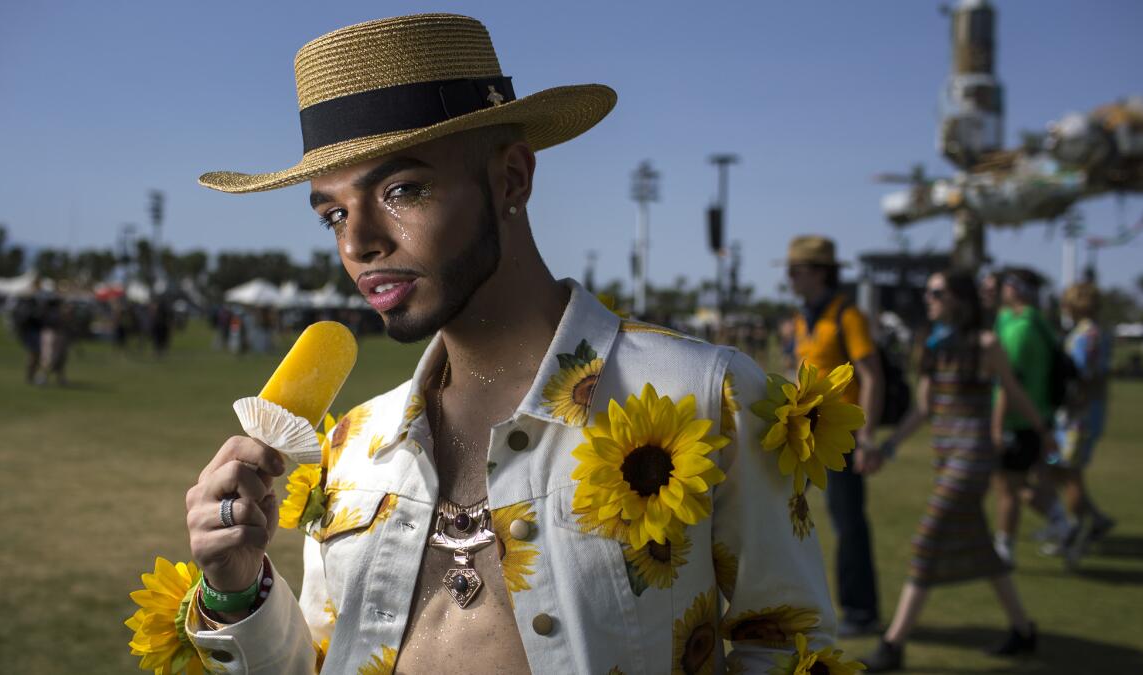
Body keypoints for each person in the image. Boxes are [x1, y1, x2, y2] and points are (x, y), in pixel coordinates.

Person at [182, 14, 837, 674]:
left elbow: (787, 648)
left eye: (401, 189)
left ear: (511, 178)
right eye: (334, 214)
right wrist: (237, 590)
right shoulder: (347, 446)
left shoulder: (707, 395)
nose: (359, 243)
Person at [861, 270, 1055, 671]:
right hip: (947, 458)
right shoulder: (932, 347)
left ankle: (893, 644)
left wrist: (1042, 430)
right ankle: (1023, 630)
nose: (927, 299)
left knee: (926, 541)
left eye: (936, 292)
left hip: (973, 460)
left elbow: (1013, 391)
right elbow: (925, 408)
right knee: (983, 551)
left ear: (959, 300)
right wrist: (888, 447)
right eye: (927, 292)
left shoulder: (985, 344)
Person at [786, 235, 885, 637]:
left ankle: (862, 613)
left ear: (820, 272)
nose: (790, 277)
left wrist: (869, 436)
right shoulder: (800, 317)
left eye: (797, 270)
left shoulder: (848, 314)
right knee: (779, 511)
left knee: (847, 524)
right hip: (801, 437)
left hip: (840, 439)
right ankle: (785, 604)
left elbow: (873, 375)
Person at [991, 267, 1062, 564]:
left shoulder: (1021, 330)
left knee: (1008, 487)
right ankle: (1061, 522)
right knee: (1020, 484)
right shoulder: (1033, 322)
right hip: (1036, 416)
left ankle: (1004, 549)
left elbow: (1010, 384)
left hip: (1016, 421)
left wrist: (995, 426)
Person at [1045, 282, 1115, 566]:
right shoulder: (1092, 332)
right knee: (1059, 469)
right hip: (1079, 414)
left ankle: (1075, 531)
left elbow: (1085, 377)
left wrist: (1071, 406)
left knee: (1069, 472)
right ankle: (1094, 520)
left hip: (1079, 417)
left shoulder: (1089, 335)